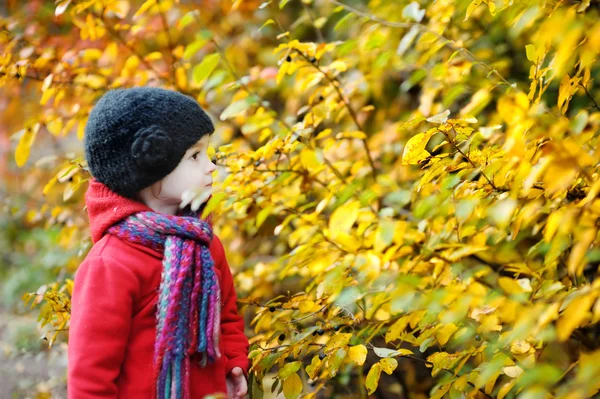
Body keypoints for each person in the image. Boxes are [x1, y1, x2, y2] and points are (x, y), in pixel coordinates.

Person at [68, 87, 249, 399]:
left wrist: (234, 363)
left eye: (207, 152)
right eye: (195, 155)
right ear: (150, 169)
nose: (210, 166)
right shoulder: (111, 264)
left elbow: (227, 317)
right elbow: (90, 374)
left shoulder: (203, 243)